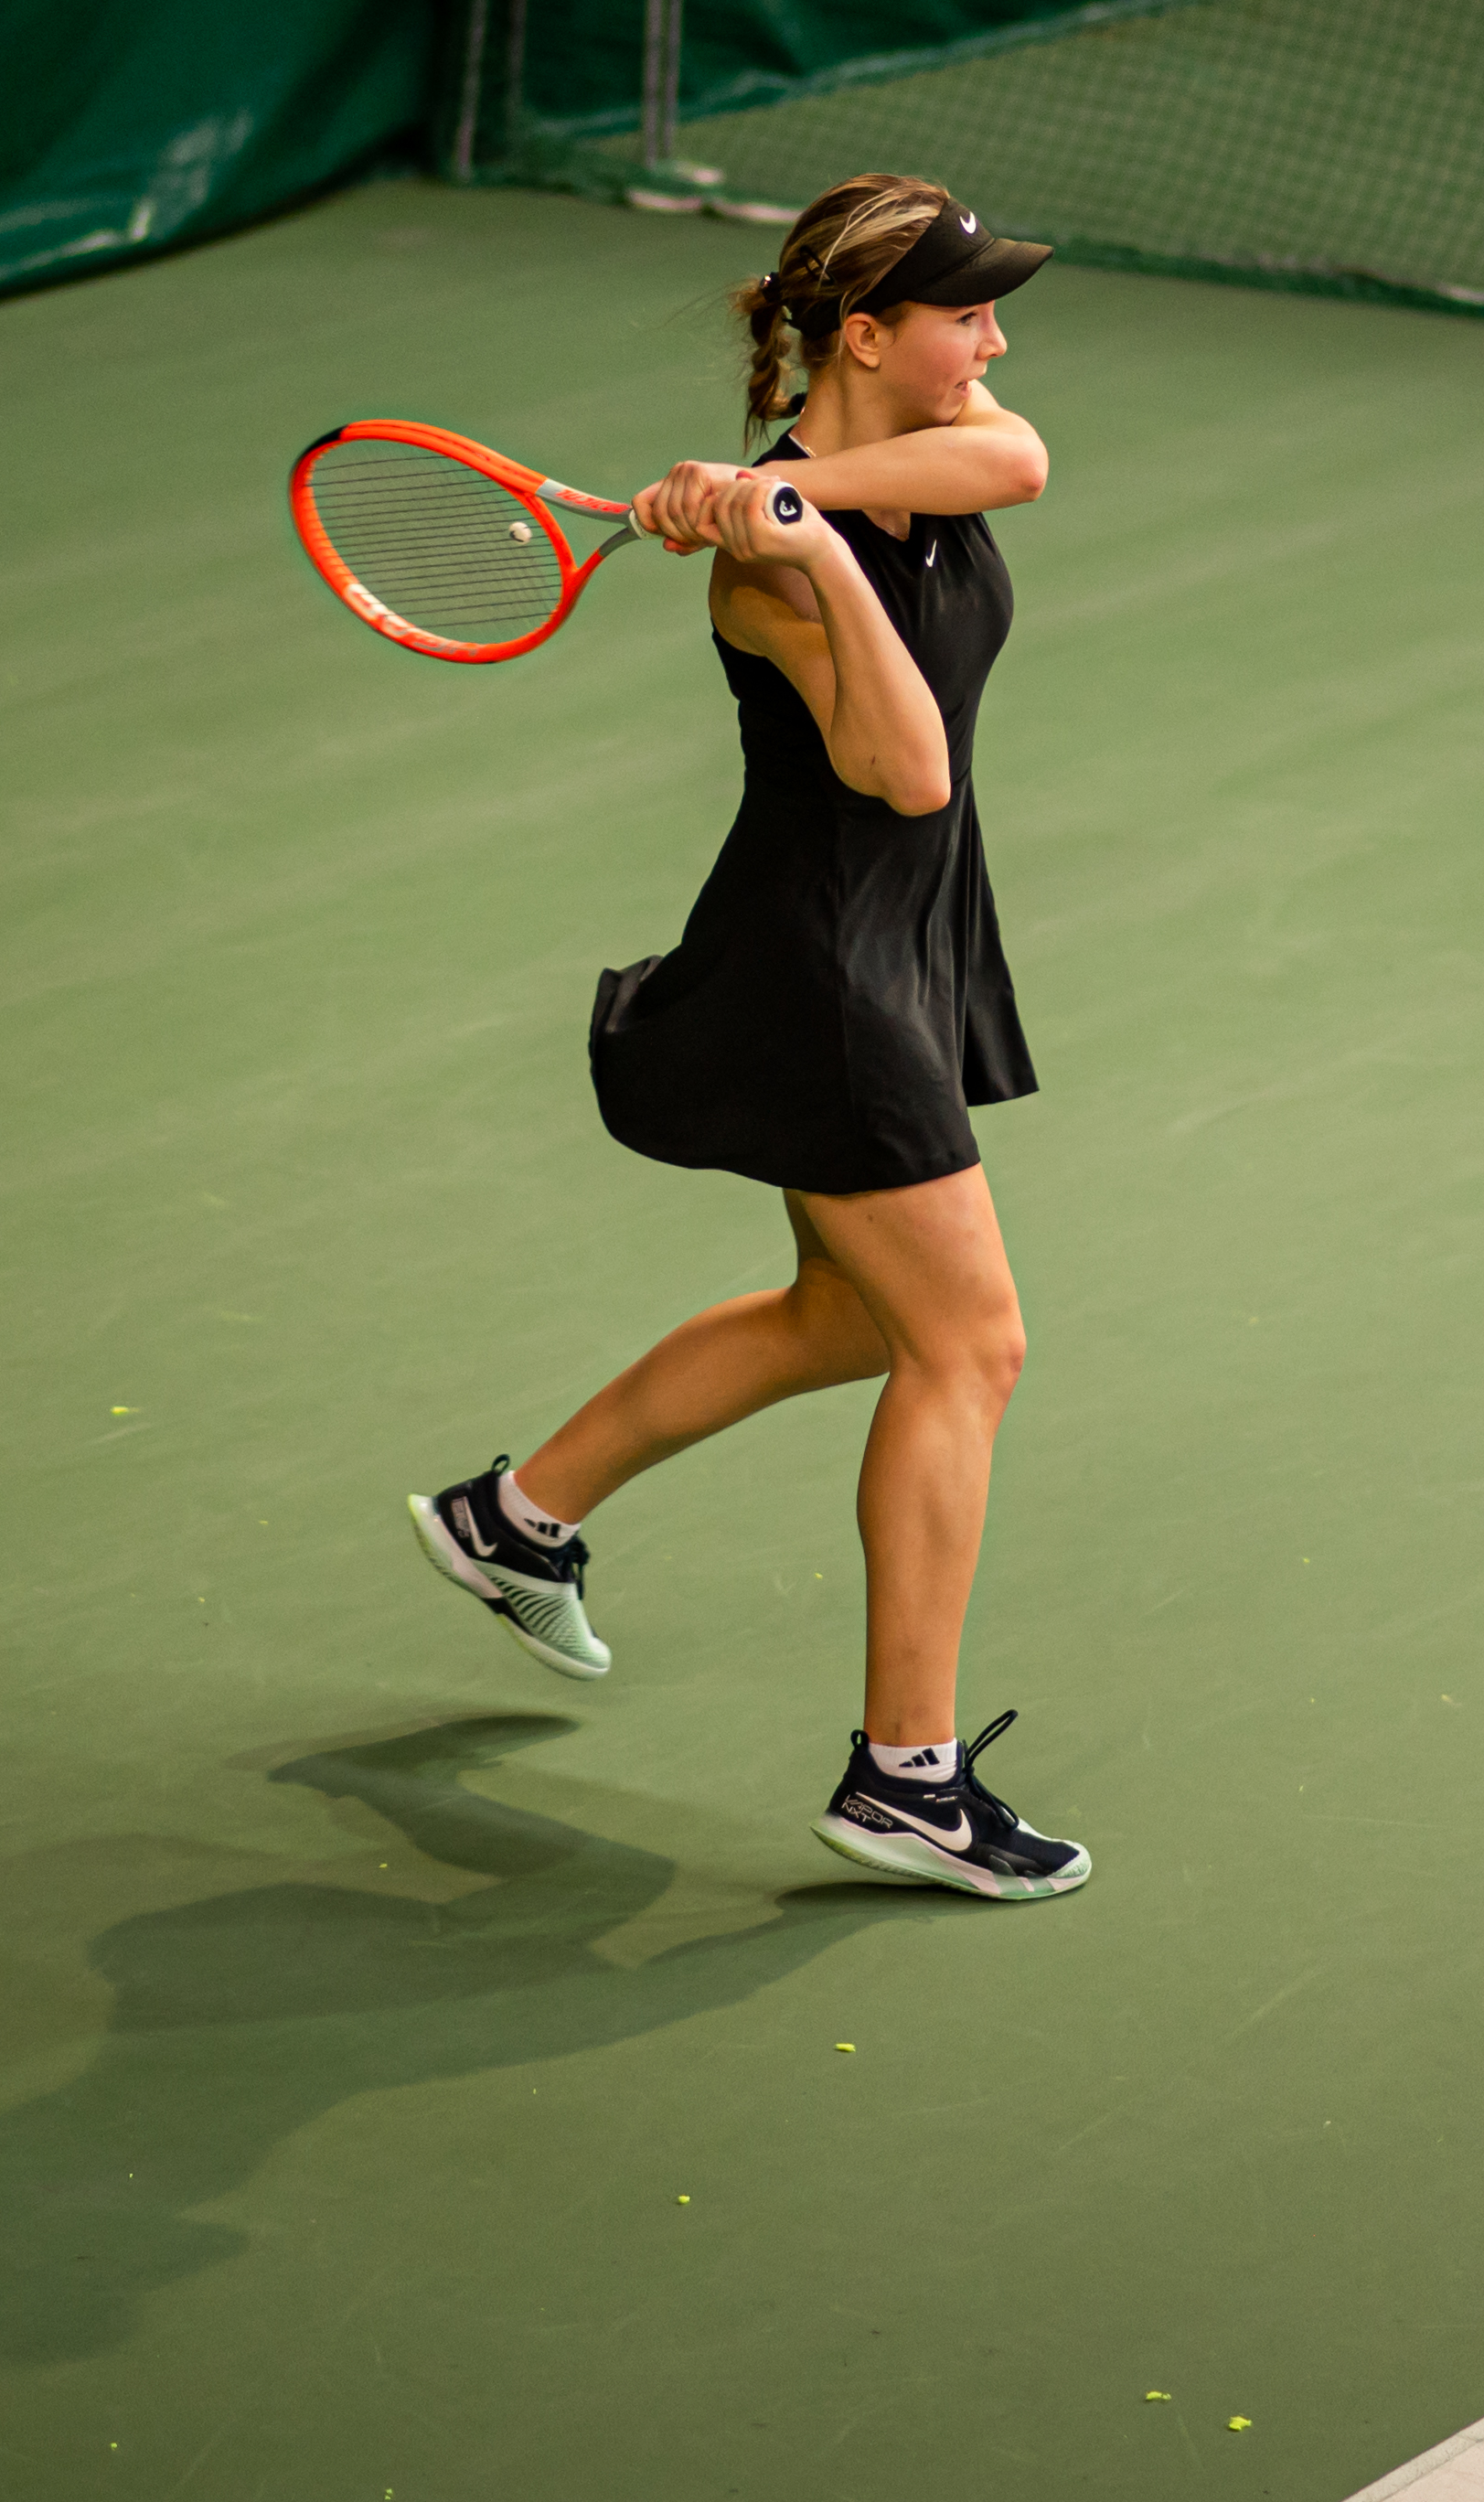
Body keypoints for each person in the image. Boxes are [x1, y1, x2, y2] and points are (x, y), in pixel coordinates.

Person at [409, 175, 1088, 1900]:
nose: (993, 346)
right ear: (865, 336)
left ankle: (513, 1521)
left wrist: (793, 490)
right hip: (821, 976)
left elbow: (1018, 464)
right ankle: (905, 1780)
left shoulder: (929, 443)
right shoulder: (762, 589)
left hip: (895, 946)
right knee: (968, 1348)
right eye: (965, 316)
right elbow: (908, 772)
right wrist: (801, 549)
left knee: (847, 1318)